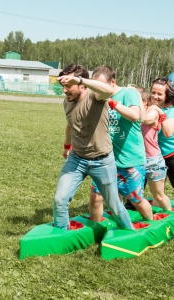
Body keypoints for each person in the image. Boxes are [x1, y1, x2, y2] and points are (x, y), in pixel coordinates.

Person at [53, 63, 134, 230]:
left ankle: (130, 231)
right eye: (63, 86)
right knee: (60, 200)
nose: (65, 90)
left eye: (69, 86)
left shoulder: (95, 96)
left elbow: (108, 90)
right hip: (76, 159)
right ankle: (61, 235)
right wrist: (66, 145)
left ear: (81, 84)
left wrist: (79, 78)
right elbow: (70, 124)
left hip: (102, 161)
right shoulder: (67, 102)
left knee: (114, 206)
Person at [89, 66, 153, 220]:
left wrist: (112, 103)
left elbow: (134, 116)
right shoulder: (96, 97)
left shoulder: (128, 93)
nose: (98, 89)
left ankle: (150, 224)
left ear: (112, 82)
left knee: (135, 199)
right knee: (96, 197)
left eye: (101, 85)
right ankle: (96, 226)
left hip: (129, 159)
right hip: (105, 159)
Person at [137, 86, 171, 210]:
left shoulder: (153, 112)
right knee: (135, 196)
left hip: (153, 161)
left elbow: (145, 119)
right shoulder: (133, 114)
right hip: (137, 160)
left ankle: (170, 218)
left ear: (144, 101)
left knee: (158, 195)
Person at [150, 77, 174, 188]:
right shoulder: (146, 106)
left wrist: (160, 112)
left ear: (166, 95)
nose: (155, 96)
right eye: (153, 92)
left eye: (159, 94)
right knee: (156, 190)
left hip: (170, 155)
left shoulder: (171, 110)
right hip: (150, 156)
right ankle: (131, 204)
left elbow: (168, 133)